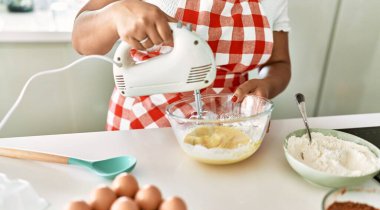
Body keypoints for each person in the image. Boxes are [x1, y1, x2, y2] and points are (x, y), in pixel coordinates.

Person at [72, 0, 291, 130]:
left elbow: (279, 62)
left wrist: (266, 85)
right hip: (143, 124)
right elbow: (81, 40)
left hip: (230, 126)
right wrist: (115, 13)